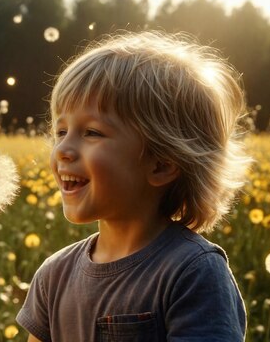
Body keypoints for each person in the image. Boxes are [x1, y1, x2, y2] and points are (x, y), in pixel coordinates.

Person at [16, 31, 251, 341]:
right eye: (61, 131)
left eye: (92, 133)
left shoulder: (193, 273)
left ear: (162, 164)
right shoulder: (53, 276)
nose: (62, 150)